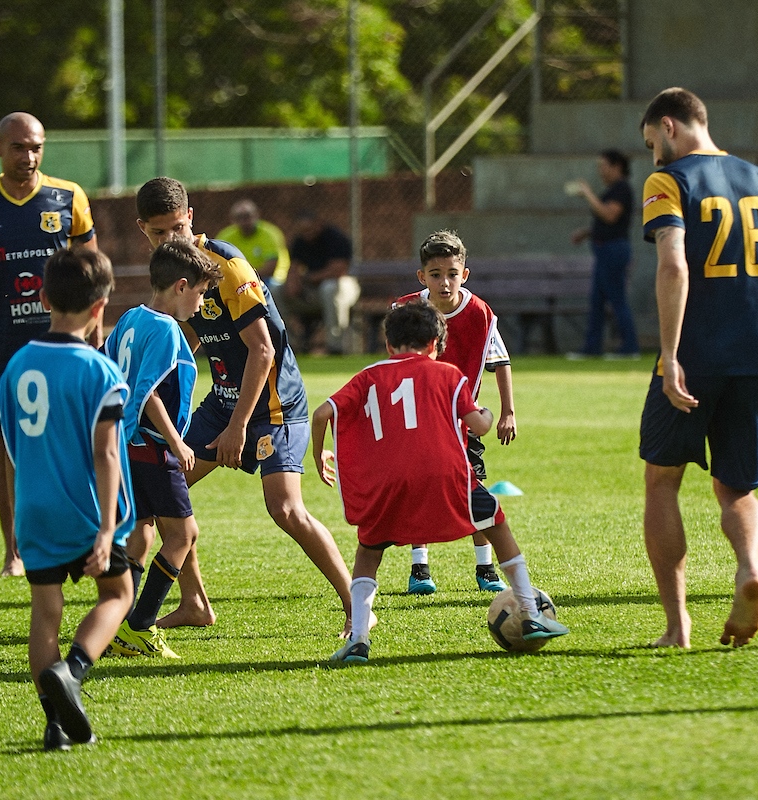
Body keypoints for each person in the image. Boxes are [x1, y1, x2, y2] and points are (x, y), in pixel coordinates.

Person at [133, 178, 355, 637]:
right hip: (224, 400)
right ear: (144, 231)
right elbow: (195, 332)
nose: (169, 240)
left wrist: (237, 429)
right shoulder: (171, 269)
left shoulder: (227, 265)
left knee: (285, 509)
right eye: (159, 233)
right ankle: (194, 603)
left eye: (176, 228)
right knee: (167, 492)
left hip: (275, 402)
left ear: (190, 217)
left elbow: (263, 350)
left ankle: (357, 606)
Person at [638, 87, 758, 650]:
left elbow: (673, 266)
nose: (652, 157)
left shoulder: (669, 182)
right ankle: (747, 568)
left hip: (693, 360)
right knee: (737, 489)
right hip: (753, 363)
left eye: (651, 144)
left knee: (662, 482)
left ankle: (676, 625)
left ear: (669, 125)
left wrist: (670, 356)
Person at [311, 301, 568, 664]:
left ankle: (358, 638)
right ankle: (530, 613)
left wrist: (320, 453)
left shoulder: (367, 376)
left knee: (368, 554)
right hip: (445, 477)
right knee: (496, 523)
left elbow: (322, 413)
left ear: (388, 344)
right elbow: (478, 425)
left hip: (387, 484)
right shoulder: (448, 375)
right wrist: (490, 413)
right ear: (435, 344)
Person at [0, 111, 98, 577]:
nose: (28, 156)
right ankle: (15, 551)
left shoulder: (69, 197)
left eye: (36, 147)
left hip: (67, 344)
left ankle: (84, 539)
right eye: (18, 147)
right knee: (7, 448)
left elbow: (94, 275)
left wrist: (97, 335)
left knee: (81, 441)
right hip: (5, 347)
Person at [0, 247, 134, 751]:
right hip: (85, 511)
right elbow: (107, 456)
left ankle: (54, 726)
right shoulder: (99, 372)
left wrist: (14, 525)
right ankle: (73, 671)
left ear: (44, 297)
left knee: (46, 610)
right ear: (100, 308)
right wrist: (104, 529)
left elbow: (12, 453)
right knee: (117, 594)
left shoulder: (16, 367)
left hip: (34, 510)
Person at [103, 241, 222, 659]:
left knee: (141, 533)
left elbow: (111, 369)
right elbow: (148, 391)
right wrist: (176, 442)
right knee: (184, 534)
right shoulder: (168, 329)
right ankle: (140, 626)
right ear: (181, 285)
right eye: (202, 293)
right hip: (153, 449)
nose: (202, 302)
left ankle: (117, 623)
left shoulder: (131, 317)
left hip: (126, 445)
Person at [395, 231, 515, 594]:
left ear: (464, 274)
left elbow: (500, 360)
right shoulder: (405, 310)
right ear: (422, 277)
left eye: (451, 273)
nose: (444, 282)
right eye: (435, 274)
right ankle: (420, 568)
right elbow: (391, 363)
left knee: (473, 490)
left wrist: (508, 411)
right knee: (418, 490)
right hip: (415, 419)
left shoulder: (480, 314)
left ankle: (485, 568)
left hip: (462, 421)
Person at [568, 149, 640, 359]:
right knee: (597, 301)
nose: (600, 171)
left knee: (617, 299)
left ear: (616, 166)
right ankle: (592, 347)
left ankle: (630, 347)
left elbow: (610, 216)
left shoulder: (621, 189)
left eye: (603, 166)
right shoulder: (613, 190)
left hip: (613, 251)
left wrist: (588, 194)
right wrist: (587, 233)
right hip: (604, 250)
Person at [283, 210, 361, 354]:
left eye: (309, 229)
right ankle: (285, 342)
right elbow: (294, 267)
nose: (307, 233)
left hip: (343, 286)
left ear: (318, 224)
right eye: (303, 230)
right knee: (276, 290)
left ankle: (335, 346)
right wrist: (292, 283)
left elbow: (339, 270)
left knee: (329, 287)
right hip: (312, 291)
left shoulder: (335, 237)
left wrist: (309, 278)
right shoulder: (299, 241)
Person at [215, 199, 291, 294]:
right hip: (239, 280)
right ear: (232, 219)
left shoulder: (270, 233)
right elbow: (218, 264)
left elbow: (271, 267)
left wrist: (246, 278)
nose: (244, 221)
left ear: (257, 214)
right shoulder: (225, 236)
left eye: (247, 216)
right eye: (239, 217)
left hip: (270, 279)